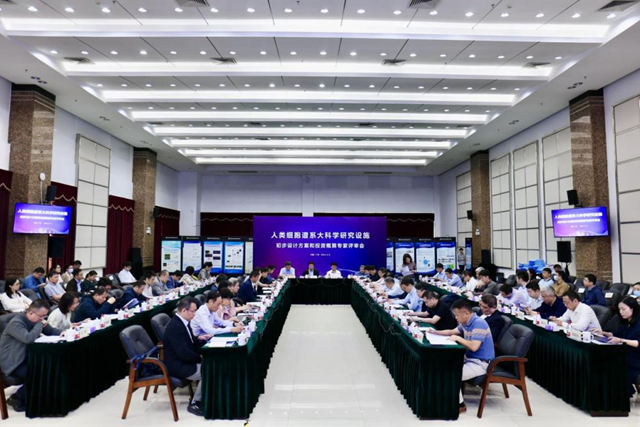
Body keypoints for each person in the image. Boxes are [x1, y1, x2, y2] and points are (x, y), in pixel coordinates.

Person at [432, 298, 495, 412]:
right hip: (469, 359)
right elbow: (451, 332)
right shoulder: (465, 322)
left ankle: (460, 405)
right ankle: (445, 399)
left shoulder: (479, 323)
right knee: (442, 366)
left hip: (481, 363)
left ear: (466, 313)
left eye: (457, 315)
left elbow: (474, 347)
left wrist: (458, 338)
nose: (455, 318)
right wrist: (435, 332)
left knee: (452, 374)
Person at [0, 300, 63, 412]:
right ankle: (16, 398)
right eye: (41, 316)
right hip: (13, 362)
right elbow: (28, 338)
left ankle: (41, 395)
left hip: (27, 357)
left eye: (45, 316)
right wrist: (40, 324)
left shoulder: (36, 319)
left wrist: (63, 332)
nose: (43, 318)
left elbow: (50, 330)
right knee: (39, 373)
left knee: (51, 366)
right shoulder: (16, 323)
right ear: (31, 313)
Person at [162, 297, 206, 416]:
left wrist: (201, 344)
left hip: (184, 360)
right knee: (208, 370)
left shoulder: (183, 322)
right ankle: (195, 402)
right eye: (193, 311)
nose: (194, 314)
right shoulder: (175, 327)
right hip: (178, 364)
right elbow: (183, 352)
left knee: (212, 364)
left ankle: (207, 397)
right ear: (184, 311)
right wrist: (201, 359)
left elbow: (190, 343)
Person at [596, 297, 640, 397]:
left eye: (624, 309)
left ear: (632, 308)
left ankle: (621, 395)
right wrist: (604, 333)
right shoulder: (626, 321)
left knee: (615, 363)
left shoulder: (638, 323)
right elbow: (617, 334)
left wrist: (621, 340)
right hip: (627, 353)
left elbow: (638, 343)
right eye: (620, 309)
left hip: (637, 357)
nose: (621, 312)